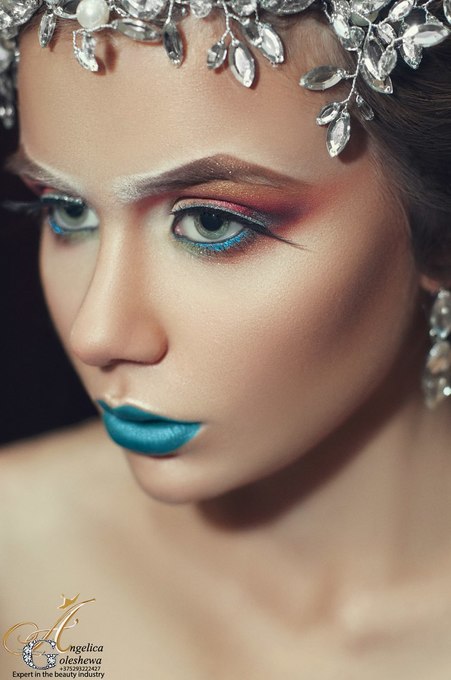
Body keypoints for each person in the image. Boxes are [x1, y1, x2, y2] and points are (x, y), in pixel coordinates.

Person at [1, 0, 451, 677]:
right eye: (67, 211)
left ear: (439, 235)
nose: (97, 333)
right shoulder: (16, 555)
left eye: (211, 222)